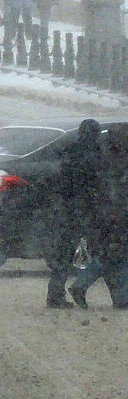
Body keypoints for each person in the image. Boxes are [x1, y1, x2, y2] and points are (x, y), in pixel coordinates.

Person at [68, 125, 128, 309]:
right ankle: (120, 297)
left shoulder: (102, 157)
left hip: (102, 214)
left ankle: (118, 296)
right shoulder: (119, 162)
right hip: (117, 214)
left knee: (110, 255)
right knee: (119, 255)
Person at [46, 119, 104, 308]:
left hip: (68, 209)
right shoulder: (95, 154)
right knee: (103, 251)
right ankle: (82, 287)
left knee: (64, 253)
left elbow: (61, 180)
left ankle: (55, 293)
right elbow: (96, 183)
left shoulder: (69, 151)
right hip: (88, 210)